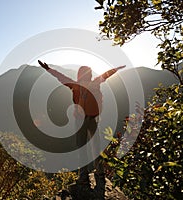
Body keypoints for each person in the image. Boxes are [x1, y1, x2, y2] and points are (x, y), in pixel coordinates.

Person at [38, 60, 125, 194]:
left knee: (81, 147)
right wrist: (117, 68)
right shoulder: (95, 82)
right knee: (95, 146)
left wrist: (48, 69)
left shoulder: (75, 85)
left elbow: (60, 77)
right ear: (89, 75)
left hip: (80, 120)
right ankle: (100, 173)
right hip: (93, 118)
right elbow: (107, 74)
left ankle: (84, 176)